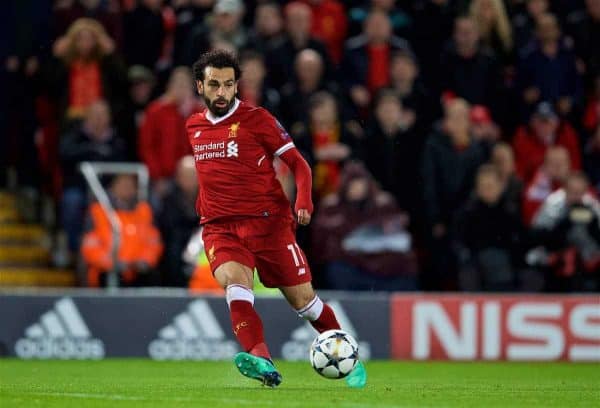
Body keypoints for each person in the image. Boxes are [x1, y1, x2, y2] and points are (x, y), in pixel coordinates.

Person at [186, 49, 366, 387]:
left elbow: (299, 163)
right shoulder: (193, 126)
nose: (222, 92)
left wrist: (305, 201)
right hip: (220, 226)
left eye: (228, 85)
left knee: (306, 303)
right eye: (214, 85)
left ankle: (349, 361)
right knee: (235, 287)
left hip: (268, 223)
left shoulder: (258, 119)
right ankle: (262, 361)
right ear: (200, 86)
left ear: (237, 85)